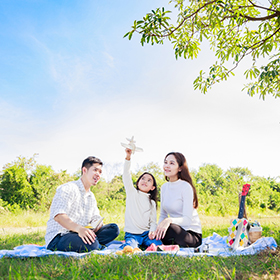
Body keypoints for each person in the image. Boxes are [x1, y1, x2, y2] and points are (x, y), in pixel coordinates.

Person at [45, 156, 119, 253]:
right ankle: (95, 244)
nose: (98, 174)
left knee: (114, 228)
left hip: (80, 233)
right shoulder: (68, 188)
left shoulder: (91, 196)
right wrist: (79, 229)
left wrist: (97, 224)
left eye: (100, 172)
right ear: (84, 170)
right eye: (95, 170)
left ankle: (92, 242)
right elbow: (59, 216)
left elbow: (95, 217)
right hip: (60, 236)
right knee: (92, 244)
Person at [155, 152, 202, 248]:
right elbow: (163, 215)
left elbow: (187, 220)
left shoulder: (186, 187)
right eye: (165, 162)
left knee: (170, 229)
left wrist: (169, 220)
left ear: (180, 168)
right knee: (155, 229)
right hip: (174, 229)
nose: (167, 166)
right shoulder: (164, 187)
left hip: (190, 234)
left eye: (171, 163)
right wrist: (157, 229)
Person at [121, 148, 162, 249]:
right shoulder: (132, 193)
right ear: (138, 182)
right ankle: (130, 246)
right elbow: (126, 174)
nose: (145, 181)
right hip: (132, 234)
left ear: (152, 187)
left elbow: (153, 221)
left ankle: (150, 246)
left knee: (158, 246)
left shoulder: (151, 202)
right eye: (143, 178)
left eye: (149, 180)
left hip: (146, 234)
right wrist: (128, 157)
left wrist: (152, 230)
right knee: (130, 248)